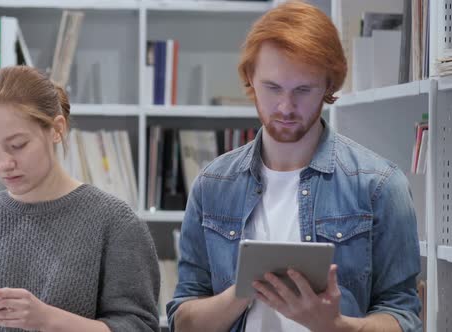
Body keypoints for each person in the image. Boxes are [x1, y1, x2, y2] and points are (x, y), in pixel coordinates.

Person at [166, 2, 421, 332]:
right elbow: (183, 321)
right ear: (250, 79)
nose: (286, 107)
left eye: (303, 89)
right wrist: (245, 290)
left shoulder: (380, 185)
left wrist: (337, 326)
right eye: (272, 88)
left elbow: (404, 316)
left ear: (329, 85)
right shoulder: (213, 184)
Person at [0, 66, 160, 332]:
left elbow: (138, 327)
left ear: (57, 129)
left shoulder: (115, 222)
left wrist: (46, 319)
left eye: (18, 145)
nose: (4, 163)